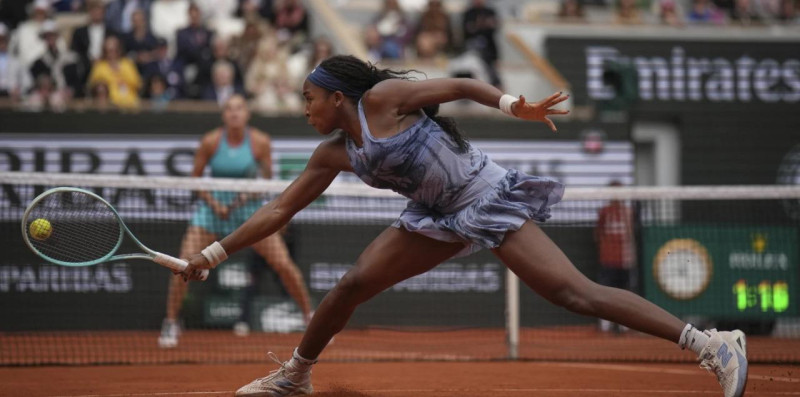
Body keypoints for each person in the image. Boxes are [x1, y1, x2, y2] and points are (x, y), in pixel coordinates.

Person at [181, 55, 749, 397]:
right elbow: (279, 210)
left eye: (308, 99)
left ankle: (710, 345)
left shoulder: (384, 98)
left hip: (482, 195)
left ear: (337, 96)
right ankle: (295, 377)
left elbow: (458, 86)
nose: (304, 110)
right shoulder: (333, 153)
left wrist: (513, 105)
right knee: (352, 284)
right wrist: (212, 254)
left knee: (573, 293)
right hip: (431, 216)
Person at [159, 94, 312, 347]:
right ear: (224, 115)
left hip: (249, 214)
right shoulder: (210, 141)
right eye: (229, 109)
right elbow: (194, 179)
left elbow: (266, 180)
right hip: (211, 214)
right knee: (183, 264)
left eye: (239, 109)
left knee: (284, 264)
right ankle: (171, 322)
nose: (234, 113)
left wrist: (248, 194)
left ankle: (310, 317)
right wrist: (215, 204)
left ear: (246, 114)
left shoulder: (260, 142)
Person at [594, 181, 636, 333]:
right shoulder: (604, 211)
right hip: (607, 260)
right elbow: (598, 233)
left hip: (625, 260)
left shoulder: (628, 211)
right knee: (606, 290)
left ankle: (625, 323)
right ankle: (605, 324)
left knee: (626, 290)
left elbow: (632, 234)